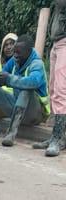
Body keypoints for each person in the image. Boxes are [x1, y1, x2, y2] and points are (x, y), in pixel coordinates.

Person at [0, 34, 50, 146]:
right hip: (16, 108)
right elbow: (4, 73)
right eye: (14, 52)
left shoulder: (36, 64)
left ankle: (11, 133)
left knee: (26, 90)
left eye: (18, 52)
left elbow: (33, 82)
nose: (15, 55)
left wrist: (8, 78)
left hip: (34, 115)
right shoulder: (15, 60)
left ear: (28, 52)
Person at [33, 1, 66, 157]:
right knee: (53, 89)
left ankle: (58, 139)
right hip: (56, 42)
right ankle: (58, 136)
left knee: (60, 90)